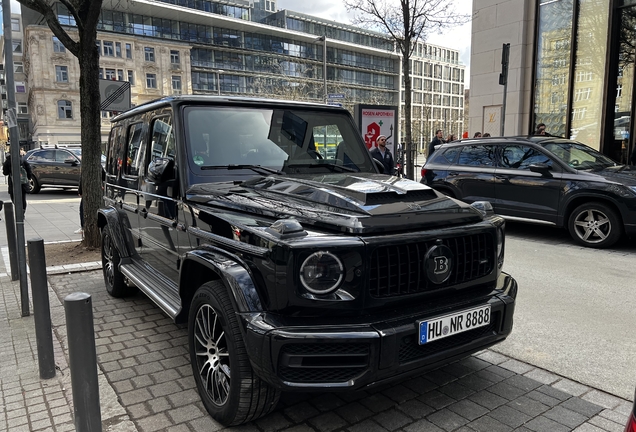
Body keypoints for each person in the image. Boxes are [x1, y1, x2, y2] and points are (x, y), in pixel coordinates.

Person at [2, 148, 32, 217]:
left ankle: (19, 210)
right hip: (23, 182)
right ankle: (22, 211)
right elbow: (29, 170)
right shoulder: (23, 160)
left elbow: (5, 173)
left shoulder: (8, 161)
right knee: (23, 198)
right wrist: (29, 178)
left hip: (13, 183)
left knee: (14, 198)